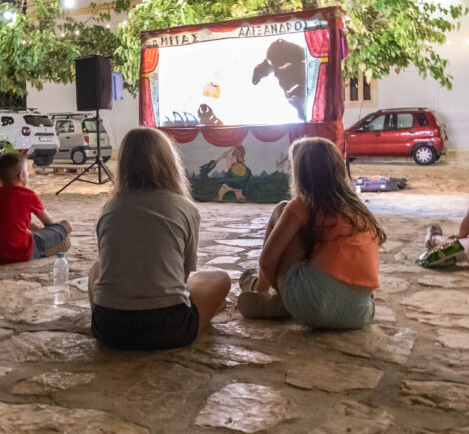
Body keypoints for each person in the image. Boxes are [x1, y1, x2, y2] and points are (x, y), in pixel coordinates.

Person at [89, 127, 231, 350]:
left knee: (96, 269)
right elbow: (183, 275)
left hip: (108, 329)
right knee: (220, 278)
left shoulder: (110, 209)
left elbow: (109, 263)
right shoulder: (185, 208)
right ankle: (205, 311)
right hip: (169, 329)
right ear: (169, 162)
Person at [237, 138, 383, 330]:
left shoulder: (302, 204)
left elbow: (267, 260)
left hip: (313, 303)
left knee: (281, 210)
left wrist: (284, 293)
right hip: (360, 313)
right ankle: (278, 296)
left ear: (300, 174)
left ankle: (262, 292)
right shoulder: (359, 210)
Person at [0, 152, 71, 264]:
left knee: (35, 233)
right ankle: (46, 249)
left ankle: (44, 247)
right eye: (27, 171)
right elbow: (50, 222)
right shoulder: (28, 195)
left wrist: (31, 226)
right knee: (66, 226)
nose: (28, 174)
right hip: (18, 253)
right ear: (21, 175)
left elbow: (5, 219)